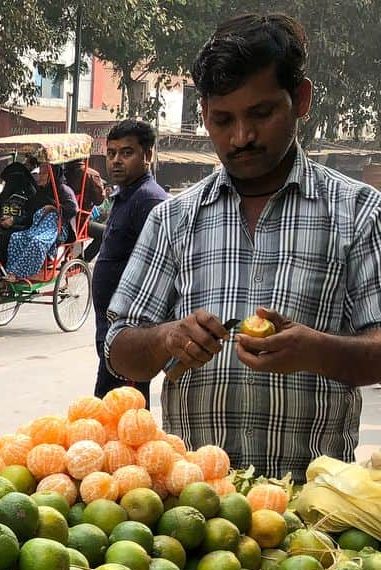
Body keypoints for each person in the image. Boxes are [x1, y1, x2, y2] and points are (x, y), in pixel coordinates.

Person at [105, 12, 381, 480]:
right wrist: (166, 338)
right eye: (222, 120)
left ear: (301, 100)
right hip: (193, 510)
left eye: (261, 113)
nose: (241, 137)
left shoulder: (357, 212)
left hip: (314, 503)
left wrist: (314, 350)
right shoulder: (173, 218)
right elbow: (118, 349)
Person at [91, 119, 168, 403]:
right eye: (111, 154)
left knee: (125, 422)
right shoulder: (125, 197)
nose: (116, 161)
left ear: (147, 155)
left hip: (131, 336)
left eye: (126, 153)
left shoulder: (149, 201)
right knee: (108, 416)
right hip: (112, 333)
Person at [3, 163, 77, 281]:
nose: (40, 176)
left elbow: (73, 209)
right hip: (38, 227)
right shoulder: (40, 193)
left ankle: (21, 273)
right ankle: (11, 272)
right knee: (16, 238)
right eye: (40, 173)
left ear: (52, 175)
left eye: (43, 174)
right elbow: (30, 213)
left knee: (37, 242)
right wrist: (14, 220)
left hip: (56, 228)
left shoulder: (64, 190)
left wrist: (53, 207)